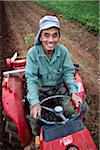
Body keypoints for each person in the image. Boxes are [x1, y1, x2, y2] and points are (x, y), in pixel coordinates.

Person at [25, 15, 82, 149]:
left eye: (55, 35)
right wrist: (34, 102)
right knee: (35, 116)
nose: (51, 40)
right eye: (46, 35)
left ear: (58, 37)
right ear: (40, 36)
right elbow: (31, 79)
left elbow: (68, 73)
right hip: (40, 90)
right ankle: (36, 137)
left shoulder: (63, 52)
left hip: (58, 89)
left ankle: (72, 135)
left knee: (71, 110)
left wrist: (73, 92)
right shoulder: (33, 53)